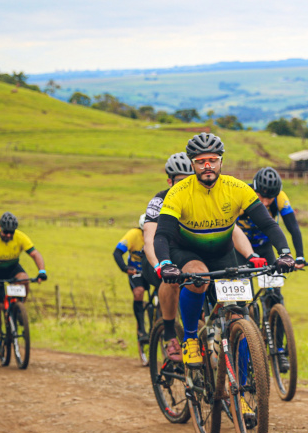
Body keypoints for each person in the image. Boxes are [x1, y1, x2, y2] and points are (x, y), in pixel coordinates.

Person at [153, 133, 296, 369]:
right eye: (201, 161)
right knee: (197, 278)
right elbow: (163, 234)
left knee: (240, 317)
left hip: (222, 254)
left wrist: (285, 252)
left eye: (212, 159)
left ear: (221, 161)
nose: (207, 165)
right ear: (193, 164)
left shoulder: (236, 188)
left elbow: (268, 224)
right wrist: (166, 262)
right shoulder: (178, 193)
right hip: (187, 252)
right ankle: (189, 338)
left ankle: (242, 393)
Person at [142, 152, 256, 361]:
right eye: (181, 180)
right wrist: (161, 266)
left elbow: (233, 230)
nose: (189, 183)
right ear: (170, 181)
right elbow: (150, 238)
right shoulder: (161, 200)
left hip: (198, 256)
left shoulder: (204, 195)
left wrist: (251, 255)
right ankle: (170, 335)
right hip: (161, 255)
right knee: (172, 279)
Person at [0, 213, 47, 358]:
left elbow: (35, 254)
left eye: (11, 233)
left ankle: (19, 309)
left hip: (12, 268)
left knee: (24, 279)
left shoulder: (20, 237)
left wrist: (42, 271)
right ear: (0, 227)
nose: (8, 235)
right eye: (5, 232)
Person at [236, 167, 305, 267]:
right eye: (261, 196)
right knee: (243, 280)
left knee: (274, 278)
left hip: (265, 245)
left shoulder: (280, 197)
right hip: (242, 247)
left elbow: (293, 227)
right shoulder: (243, 194)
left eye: (269, 198)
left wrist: (300, 256)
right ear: (254, 190)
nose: (264, 202)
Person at [113, 214, 149, 351]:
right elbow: (117, 252)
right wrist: (124, 268)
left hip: (151, 270)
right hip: (136, 271)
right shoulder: (133, 234)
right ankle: (141, 328)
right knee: (138, 292)